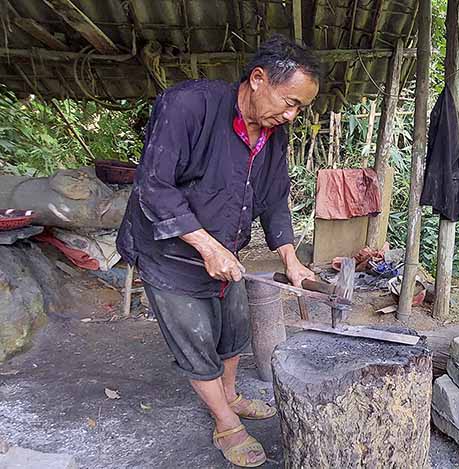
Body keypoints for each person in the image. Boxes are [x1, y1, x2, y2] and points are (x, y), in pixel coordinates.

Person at [116, 35, 319, 467]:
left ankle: (230, 394)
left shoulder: (272, 136)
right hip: (167, 251)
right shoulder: (188, 106)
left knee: (234, 327)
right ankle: (226, 422)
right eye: (289, 101)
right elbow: (154, 187)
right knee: (195, 339)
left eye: (300, 107)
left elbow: (275, 198)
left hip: (224, 249)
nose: (291, 114)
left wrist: (291, 260)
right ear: (258, 79)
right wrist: (205, 245)